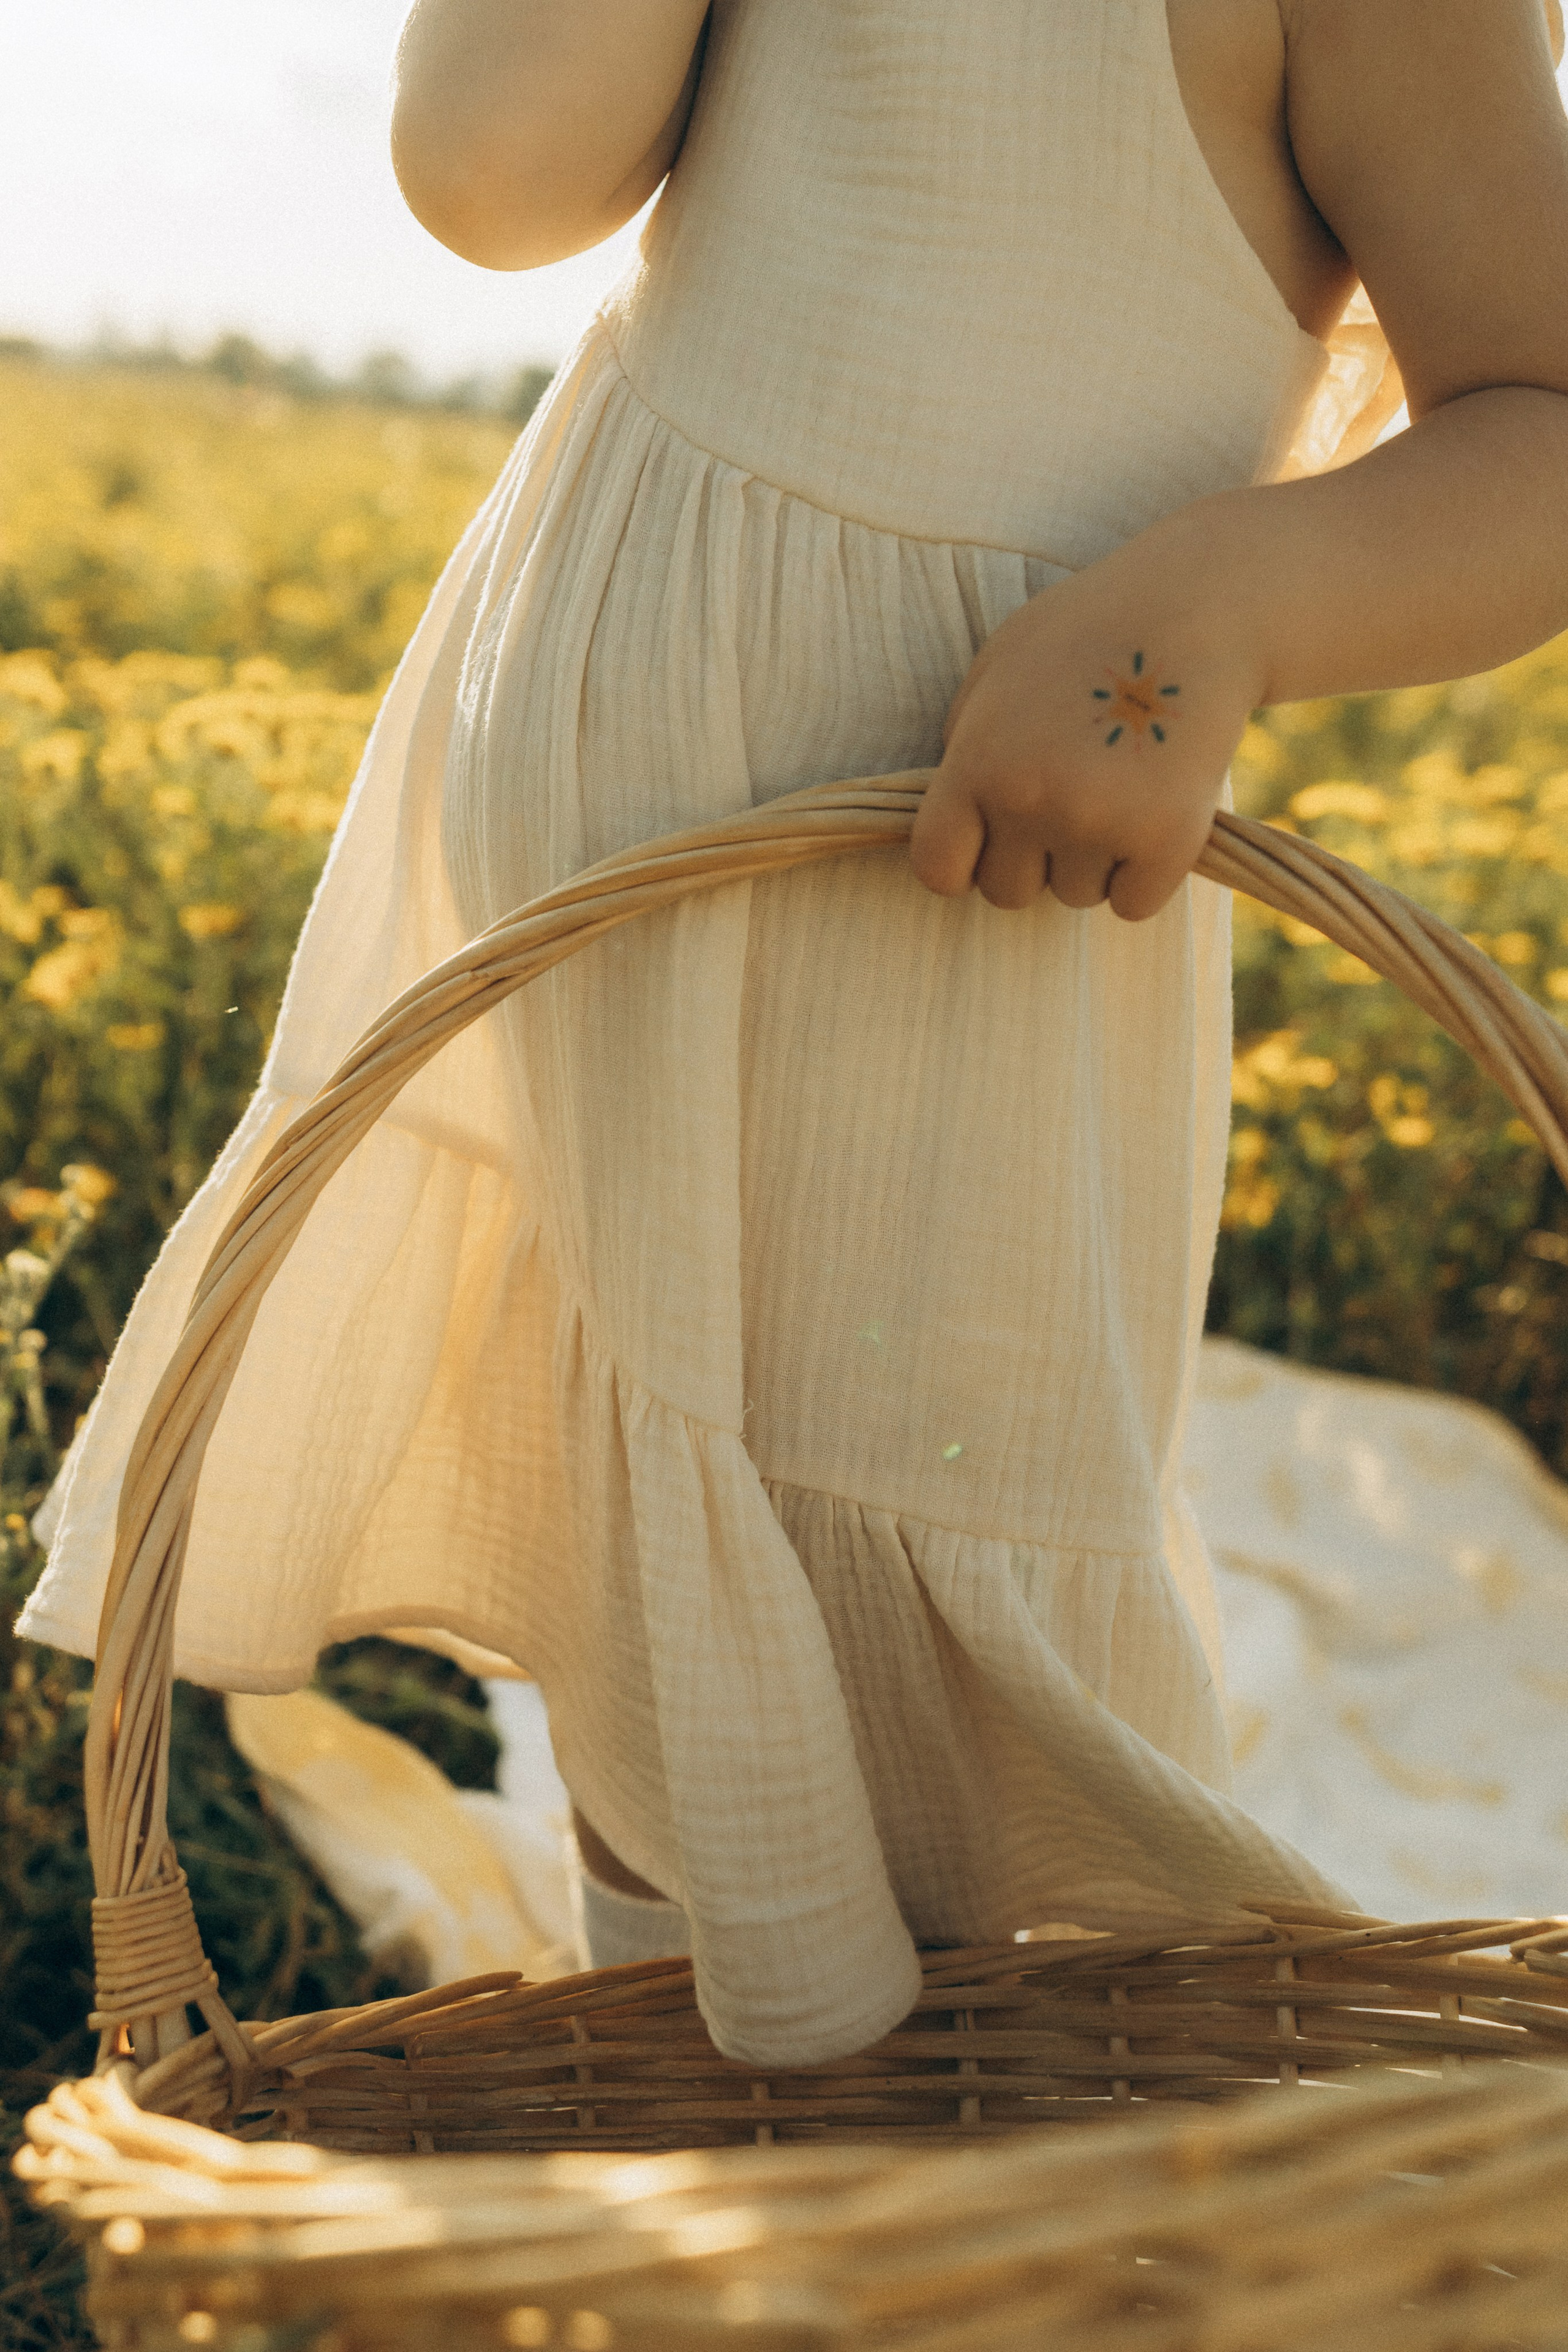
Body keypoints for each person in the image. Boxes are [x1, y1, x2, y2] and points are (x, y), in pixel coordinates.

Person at [23, 0, 1568, 2066]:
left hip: (975, 905)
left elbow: (1539, 408)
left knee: (927, 1668)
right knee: (643, 1565)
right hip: (606, 871)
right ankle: (709, 2116)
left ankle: (968, 2151)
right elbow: (492, 176)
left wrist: (1220, 603)